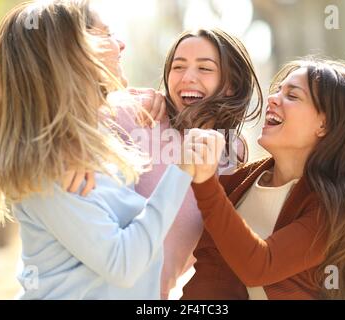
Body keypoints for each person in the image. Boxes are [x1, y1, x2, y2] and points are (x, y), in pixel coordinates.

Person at [0, 0, 223, 299]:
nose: (120, 44)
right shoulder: (52, 167)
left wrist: (149, 99)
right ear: (72, 55)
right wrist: (181, 169)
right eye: (107, 35)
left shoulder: (86, 144)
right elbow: (123, 264)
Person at [182, 57, 345, 299]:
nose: (273, 99)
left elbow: (259, 266)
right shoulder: (237, 182)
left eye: (292, 96)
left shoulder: (338, 209)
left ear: (325, 125)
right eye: (277, 90)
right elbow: (208, 273)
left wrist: (205, 184)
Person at [112, 28, 263, 299]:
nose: (187, 77)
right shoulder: (138, 115)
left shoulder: (232, 150)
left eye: (204, 68)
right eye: (178, 66)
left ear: (231, 85)